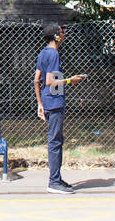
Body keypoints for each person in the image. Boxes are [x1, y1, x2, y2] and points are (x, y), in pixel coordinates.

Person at [34, 23, 86, 193]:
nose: (64, 34)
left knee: (56, 140)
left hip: (48, 102)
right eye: (62, 32)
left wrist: (40, 104)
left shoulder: (43, 52)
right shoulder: (54, 53)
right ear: (56, 36)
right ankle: (54, 181)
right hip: (55, 102)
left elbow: (37, 80)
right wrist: (71, 80)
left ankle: (57, 178)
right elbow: (49, 82)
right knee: (55, 142)